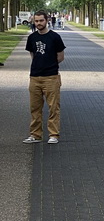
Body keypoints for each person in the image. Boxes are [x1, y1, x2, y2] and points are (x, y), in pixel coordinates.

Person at [23, 10, 66, 144]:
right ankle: (35, 135)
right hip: (35, 77)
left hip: (51, 77)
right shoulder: (32, 38)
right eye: (36, 21)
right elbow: (33, 55)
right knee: (34, 108)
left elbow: (60, 57)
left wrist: (49, 64)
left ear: (46, 20)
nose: (39, 23)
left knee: (53, 107)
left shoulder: (55, 37)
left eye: (41, 20)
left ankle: (53, 134)